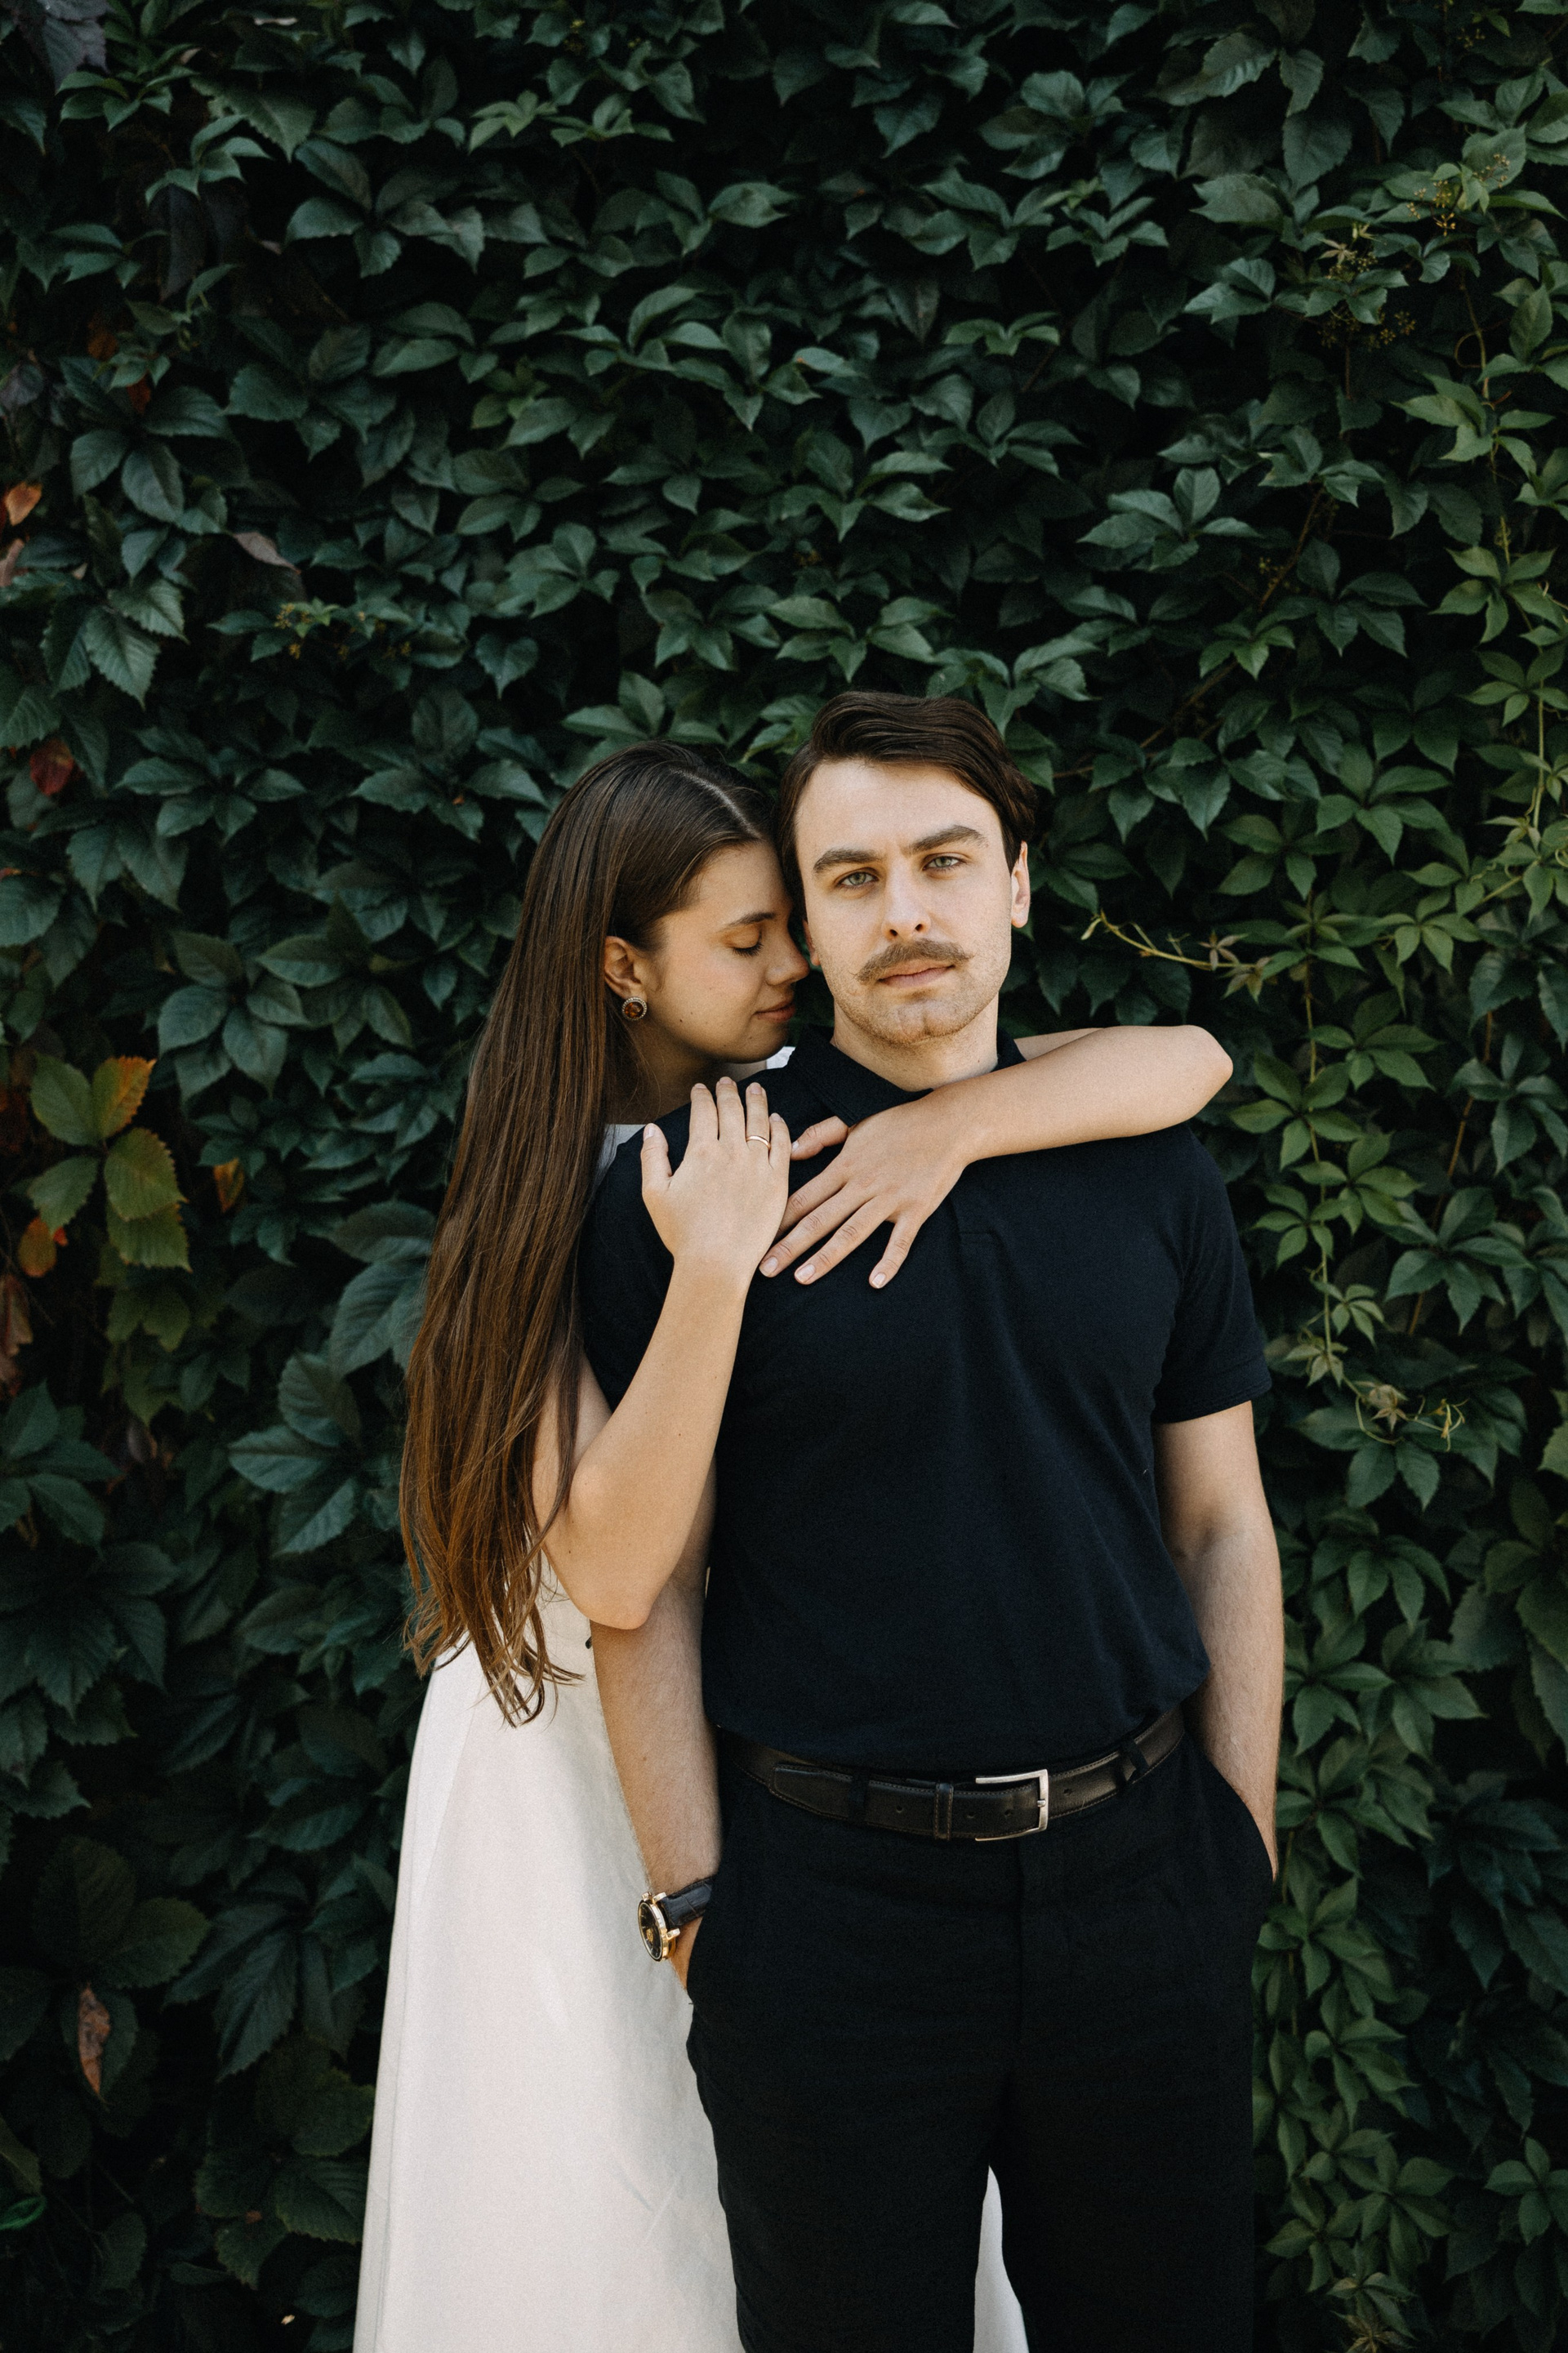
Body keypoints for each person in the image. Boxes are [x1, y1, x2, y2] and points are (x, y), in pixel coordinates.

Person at [354, 737, 1236, 2353]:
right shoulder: (571, 1200)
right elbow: (619, 1575)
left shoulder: (792, 1123)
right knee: (602, 2220)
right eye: (750, 936)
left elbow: (1186, 1059)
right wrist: (697, 1908)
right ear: (625, 967)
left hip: (757, 1752)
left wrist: (951, 1130)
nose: (792, 964)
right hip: (588, 1760)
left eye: (787, 925)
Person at [577, 697, 1283, 2353]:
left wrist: (1237, 1840)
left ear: (1018, 883)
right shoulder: (697, 1185)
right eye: (853, 877)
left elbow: (1223, 1523)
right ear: (807, 922)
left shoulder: (1151, 1168)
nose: (905, 911)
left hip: (1144, 1886)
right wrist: (698, 1914)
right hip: (830, 1918)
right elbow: (643, 1587)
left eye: (946, 861)